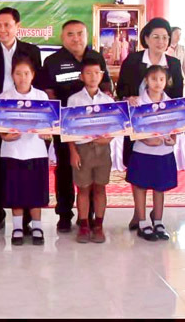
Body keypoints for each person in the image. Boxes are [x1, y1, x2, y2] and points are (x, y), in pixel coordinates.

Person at [0, 7, 42, 235]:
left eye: (8, 25)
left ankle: (28, 220)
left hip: (26, 118)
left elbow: (39, 85)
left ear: (17, 26)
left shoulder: (31, 51)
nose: (3, 30)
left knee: (26, 169)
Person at [40, 20, 110, 233]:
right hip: (66, 129)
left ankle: (88, 216)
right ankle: (64, 214)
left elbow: (107, 89)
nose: (76, 38)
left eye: (80, 33)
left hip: (94, 130)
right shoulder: (52, 61)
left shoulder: (96, 57)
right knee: (64, 170)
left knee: (92, 174)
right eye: (70, 34)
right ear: (62, 38)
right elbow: (48, 94)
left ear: (87, 35)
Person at [116, 17, 183, 229]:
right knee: (138, 172)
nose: (161, 41)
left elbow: (177, 100)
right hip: (138, 127)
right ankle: (139, 215)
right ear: (146, 38)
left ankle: (156, 215)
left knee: (159, 175)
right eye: (156, 37)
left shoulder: (174, 64)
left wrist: (174, 132)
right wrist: (128, 98)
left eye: (165, 37)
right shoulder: (133, 61)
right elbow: (121, 89)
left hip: (162, 131)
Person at [0, 57, 51, 246]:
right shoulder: (4, 97)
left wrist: (47, 134)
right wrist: (4, 135)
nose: (22, 77)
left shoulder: (41, 97)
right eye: (18, 73)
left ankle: (37, 226)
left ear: (33, 75)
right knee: (15, 191)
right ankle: (17, 227)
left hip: (36, 151)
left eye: (26, 73)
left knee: (35, 192)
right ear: (12, 76)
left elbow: (49, 125)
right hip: (12, 151)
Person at [126, 65, 178, 242]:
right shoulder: (137, 102)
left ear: (166, 81)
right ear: (146, 81)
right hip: (142, 151)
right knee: (140, 187)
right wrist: (145, 140)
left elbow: (176, 127)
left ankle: (158, 220)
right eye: (154, 79)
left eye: (161, 79)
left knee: (160, 187)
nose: (158, 83)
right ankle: (142, 222)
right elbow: (131, 127)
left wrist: (173, 139)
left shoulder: (171, 103)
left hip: (164, 152)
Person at [67, 58, 114, 244]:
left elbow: (115, 126)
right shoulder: (74, 100)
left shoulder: (108, 100)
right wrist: (73, 152)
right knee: (83, 188)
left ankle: (99, 225)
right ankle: (84, 225)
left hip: (102, 149)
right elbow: (68, 129)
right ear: (81, 76)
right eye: (88, 73)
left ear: (101, 75)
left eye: (96, 73)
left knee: (100, 188)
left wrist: (108, 138)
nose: (93, 77)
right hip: (82, 149)